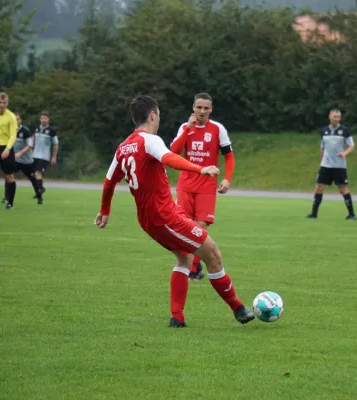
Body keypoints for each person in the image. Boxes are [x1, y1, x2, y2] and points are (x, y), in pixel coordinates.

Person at [94, 95, 254, 328]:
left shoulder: (123, 147)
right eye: (158, 115)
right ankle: (238, 308)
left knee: (185, 257)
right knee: (213, 255)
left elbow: (108, 182)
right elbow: (170, 158)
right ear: (152, 115)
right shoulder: (149, 140)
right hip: (165, 216)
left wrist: (104, 211)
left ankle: (177, 318)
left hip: (150, 219)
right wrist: (200, 169)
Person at [170, 93, 235, 280]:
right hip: (186, 184)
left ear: (211, 109)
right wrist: (187, 129)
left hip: (207, 185)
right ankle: (193, 268)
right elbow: (174, 152)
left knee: (200, 225)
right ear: (193, 108)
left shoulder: (217, 129)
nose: (202, 111)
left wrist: (227, 179)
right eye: (199, 107)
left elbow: (228, 156)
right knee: (185, 225)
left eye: (206, 108)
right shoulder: (185, 127)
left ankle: (195, 266)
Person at [306, 109, 356, 220]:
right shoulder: (324, 131)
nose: (337, 119)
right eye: (335, 116)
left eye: (339, 117)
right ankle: (314, 214)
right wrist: (321, 160)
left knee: (342, 189)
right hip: (326, 165)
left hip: (339, 166)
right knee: (319, 187)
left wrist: (345, 153)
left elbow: (351, 145)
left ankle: (352, 214)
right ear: (330, 117)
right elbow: (322, 147)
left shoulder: (344, 131)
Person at [1, 113, 43, 204]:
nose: (16, 121)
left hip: (26, 161)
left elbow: (30, 145)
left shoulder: (25, 131)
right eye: (14, 119)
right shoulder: (9, 130)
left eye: (17, 119)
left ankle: (39, 197)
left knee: (32, 178)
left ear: (20, 120)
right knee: (8, 176)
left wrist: (20, 153)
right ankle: (6, 198)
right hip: (15, 159)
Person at [32, 111, 59, 200]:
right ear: (40, 119)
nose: (44, 120)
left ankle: (40, 190)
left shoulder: (51, 131)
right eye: (42, 118)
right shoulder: (36, 128)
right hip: (34, 155)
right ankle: (40, 193)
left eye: (45, 118)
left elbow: (55, 144)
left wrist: (54, 156)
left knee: (37, 173)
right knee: (34, 175)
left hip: (44, 156)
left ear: (48, 120)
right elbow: (33, 140)